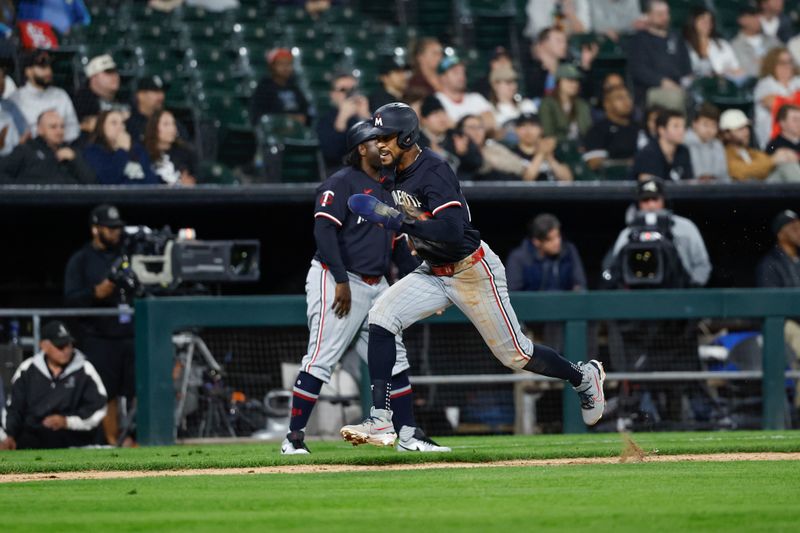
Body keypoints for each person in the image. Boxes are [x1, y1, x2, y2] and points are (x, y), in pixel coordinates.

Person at [339, 103, 606, 448]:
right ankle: (380, 418)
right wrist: (413, 242)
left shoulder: (433, 170)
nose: (381, 145)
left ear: (405, 136)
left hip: (471, 270)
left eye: (386, 137)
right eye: (377, 138)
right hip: (433, 272)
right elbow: (420, 224)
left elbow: (452, 231)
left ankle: (583, 377)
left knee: (516, 355)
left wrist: (398, 222)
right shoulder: (393, 174)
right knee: (380, 318)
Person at [282, 121, 448, 455]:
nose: (384, 146)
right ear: (361, 148)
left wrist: (426, 280)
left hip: (376, 284)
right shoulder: (341, 183)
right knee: (321, 358)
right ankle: (294, 438)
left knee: (395, 361)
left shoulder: (390, 187)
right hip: (337, 279)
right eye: (377, 141)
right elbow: (324, 234)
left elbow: (401, 246)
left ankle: (409, 436)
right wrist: (341, 280)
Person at [64, 204, 136, 446]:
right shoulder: (81, 260)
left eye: (118, 228)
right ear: (96, 229)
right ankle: (112, 440)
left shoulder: (127, 254)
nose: (116, 232)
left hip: (131, 333)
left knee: (137, 389)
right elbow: (70, 299)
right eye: (110, 228)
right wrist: (95, 292)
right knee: (108, 393)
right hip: (100, 338)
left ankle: (136, 437)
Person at [0, 321, 106, 450]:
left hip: (73, 437)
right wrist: (9, 435)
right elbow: (14, 407)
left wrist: (67, 422)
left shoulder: (84, 369)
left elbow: (98, 405)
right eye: (60, 346)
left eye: (69, 344)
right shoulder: (27, 369)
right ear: (44, 346)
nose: (66, 350)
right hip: (33, 436)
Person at [608, 177, 711, 287]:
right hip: (638, 293)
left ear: (664, 201)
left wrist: (692, 288)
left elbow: (702, 265)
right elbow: (615, 269)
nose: (651, 205)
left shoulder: (685, 227)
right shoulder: (628, 233)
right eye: (645, 200)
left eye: (655, 199)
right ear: (638, 204)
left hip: (678, 292)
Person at [0, 110, 95, 184]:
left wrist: (75, 160)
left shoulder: (71, 152)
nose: (59, 131)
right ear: (40, 129)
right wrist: (23, 191)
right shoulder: (26, 150)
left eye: (62, 127)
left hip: (68, 204)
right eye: (53, 127)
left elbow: (91, 183)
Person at [628, 0, 692, 107]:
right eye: (659, 14)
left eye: (666, 13)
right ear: (648, 16)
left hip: (679, 86)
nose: (664, 17)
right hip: (652, 89)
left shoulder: (676, 38)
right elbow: (639, 70)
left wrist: (687, 82)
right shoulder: (639, 39)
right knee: (675, 97)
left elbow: (687, 69)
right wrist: (662, 82)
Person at [9, 49, 80, 142]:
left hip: (61, 147)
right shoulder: (15, 99)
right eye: (42, 67)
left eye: (49, 66)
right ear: (28, 71)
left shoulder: (60, 95)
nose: (48, 71)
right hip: (30, 151)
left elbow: (73, 129)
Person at [506, 214, 586, 292]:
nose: (557, 242)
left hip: (565, 304)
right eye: (550, 239)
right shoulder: (519, 258)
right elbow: (514, 294)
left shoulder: (569, 251)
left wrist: (578, 291)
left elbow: (580, 285)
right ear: (536, 242)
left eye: (558, 236)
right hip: (532, 305)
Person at [720, 107, 800, 182]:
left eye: (746, 128)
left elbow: (764, 164)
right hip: (743, 192)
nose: (746, 132)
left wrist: (783, 157)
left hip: (761, 189)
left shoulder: (752, 152)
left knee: (788, 166)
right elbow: (739, 172)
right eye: (740, 129)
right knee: (788, 168)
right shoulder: (724, 153)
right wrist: (773, 160)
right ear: (726, 134)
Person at [83, 110, 160, 185]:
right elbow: (108, 179)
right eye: (114, 123)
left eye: (122, 123)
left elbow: (152, 180)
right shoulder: (94, 151)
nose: (120, 127)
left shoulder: (137, 149)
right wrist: (122, 150)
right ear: (101, 127)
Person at [582, 85, 646, 171]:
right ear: (607, 104)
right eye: (620, 98)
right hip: (611, 182)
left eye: (628, 97)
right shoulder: (598, 131)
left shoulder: (639, 128)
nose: (627, 101)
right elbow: (594, 163)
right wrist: (626, 163)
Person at [316, 73, 371, 173]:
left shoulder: (368, 116)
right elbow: (331, 155)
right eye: (343, 90)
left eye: (353, 90)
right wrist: (342, 119)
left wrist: (366, 116)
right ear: (332, 94)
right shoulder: (326, 119)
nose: (349, 94)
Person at [249, 47, 311, 126]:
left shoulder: (295, 88)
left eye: (288, 64)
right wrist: (286, 119)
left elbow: (306, 113)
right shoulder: (264, 89)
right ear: (272, 66)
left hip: (297, 132)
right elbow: (259, 118)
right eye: (281, 64)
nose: (285, 68)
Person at [753, 47, 800, 148]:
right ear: (772, 65)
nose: (787, 66)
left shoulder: (797, 81)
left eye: (790, 62)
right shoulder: (765, 84)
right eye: (782, 63)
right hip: (774, 141)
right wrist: (795, 98)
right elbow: (777, 106)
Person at [434, 56, 495, 132]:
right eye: (455, 72)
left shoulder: (476, 98)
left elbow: (491, 123)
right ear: (442, 77)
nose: (461, 76)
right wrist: (478, 126)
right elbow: (442, 127)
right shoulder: (435, 101)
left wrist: (459, 126)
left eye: (463, 72)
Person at [683, 7, 744, 81]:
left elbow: (737, 69)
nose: (707, 24)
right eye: (702, 19)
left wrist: (724, 73)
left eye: (709, 21)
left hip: (723, 84)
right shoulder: (684, 46)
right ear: (693, 22)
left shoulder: (722, 44)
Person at [631, 109, 694, 181]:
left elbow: (689, 184)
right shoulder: (647, 154)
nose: (682, 130)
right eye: (676, 126)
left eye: (683, 126)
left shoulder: (684, 151)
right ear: (662, 130)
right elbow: (648, 188)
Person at [509, 113, 572, 181]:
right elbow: (526, 180)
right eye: (523, 126)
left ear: (541, 129)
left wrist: (549, 157)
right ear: (516, 130)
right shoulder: (511, 153)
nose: (528, 130)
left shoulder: (551, 150)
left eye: (533, 125)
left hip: (552, 190)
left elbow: (567, 179)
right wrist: (541, 154)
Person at [126, 76, 189, 144]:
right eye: (155, 92)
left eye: (162, 92)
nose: (161, 96)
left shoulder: (171, 121)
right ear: (140, 95)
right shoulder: (129, 122)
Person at [539, 63, 592, 142]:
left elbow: (588, 130)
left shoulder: (582, 105)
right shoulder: (548, 104)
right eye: (570, 80)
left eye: (577, 81)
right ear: (559, 82)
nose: (575, 84)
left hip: (582, 146)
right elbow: (548, 133)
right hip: (558, 147)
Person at [144, 109, 198, 186]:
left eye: (173, 124)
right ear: (154, 127)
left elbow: (194, 180)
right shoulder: (143, 153)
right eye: (166, 124)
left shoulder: (186, 153)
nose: (172, 129)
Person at [731, 4, 782, 79]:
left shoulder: (772, 40)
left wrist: (762, 62)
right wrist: (770, 62)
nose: (759, 20)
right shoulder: (736, 45)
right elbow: (748, 70)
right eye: (754, 16)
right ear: (742, 20)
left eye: (759, 16)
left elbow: (787, 59)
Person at [487, 64, 537, 139]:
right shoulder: (489, 110)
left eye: (514, 82)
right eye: (508, 82)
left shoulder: (526, 104)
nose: (513, 86)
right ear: (495, 85)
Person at [684, 103, 729, 181]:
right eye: (705, 124)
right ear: (694, 124)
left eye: (713, 125)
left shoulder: (717, 145)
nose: (709, 130)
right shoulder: (683, 143)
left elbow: (724, 175)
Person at [757, 209, 800, 287]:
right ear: (780, 234)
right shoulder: (770, 264)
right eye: (794, 228)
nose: (799, 232)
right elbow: (772, 297)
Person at [524, 27, 568, 99]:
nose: (564, 45)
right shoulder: (531, 70)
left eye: (565, 41)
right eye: (559, 41)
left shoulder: (567, 68)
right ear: (544, 43)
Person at [524, 0, 589, 39]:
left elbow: (584, 30)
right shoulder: (538, 2)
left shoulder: (579, 1)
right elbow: (542, 32)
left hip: (566, 43)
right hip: (537, 41)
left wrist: (570, 13)